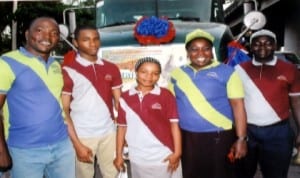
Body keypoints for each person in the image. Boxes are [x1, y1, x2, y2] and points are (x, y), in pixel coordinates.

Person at [0, 17, 75, 178]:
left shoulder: (56, 65)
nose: (47, 37)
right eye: (40, 31)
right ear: (27, 34)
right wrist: (1, 150)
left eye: (54, 33)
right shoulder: (6, 62)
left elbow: (59, 105)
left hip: (61, 146)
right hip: (24, 151)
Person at [168, 29, 248, 178]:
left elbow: (238, 106)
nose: (200, 53)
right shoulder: (176, 74)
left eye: (206, 49)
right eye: (194, 49)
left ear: (212, 52)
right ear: (187, 52)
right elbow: (170, 107)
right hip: (187, 137)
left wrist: (241, 139)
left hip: (219, 137)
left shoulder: (227, 72)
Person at [234, 29, 300, 178]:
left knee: (276, 174)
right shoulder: (239, 70)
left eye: (268, 43)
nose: (262, 47)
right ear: (251, 47)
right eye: (256, 44)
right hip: (247, 131)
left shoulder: (290, 69)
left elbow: (297, 101)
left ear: (275, 46)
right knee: (242, 173)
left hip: (278, 132)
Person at [61, 25, 122, 178]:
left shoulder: (112, 68)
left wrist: (122, 133)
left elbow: (119, 103)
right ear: (75, 43)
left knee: (114, 174)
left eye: (96, 39)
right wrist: (76, 143)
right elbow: (64, 110)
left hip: (109, 133)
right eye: (86, 40)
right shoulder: (68, 70)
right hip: (82, 134)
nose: (93, 43)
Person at [114, 57, 182, 178]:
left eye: (155, 73)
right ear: (136, 72)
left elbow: (174, 125)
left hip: (164, 155)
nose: (149, 77)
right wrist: (119, 155)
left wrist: (177, 153)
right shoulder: (125, 97)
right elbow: (121, 128)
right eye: (144, 72)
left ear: (159, 76)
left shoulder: (165, 95)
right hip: (138, 157)